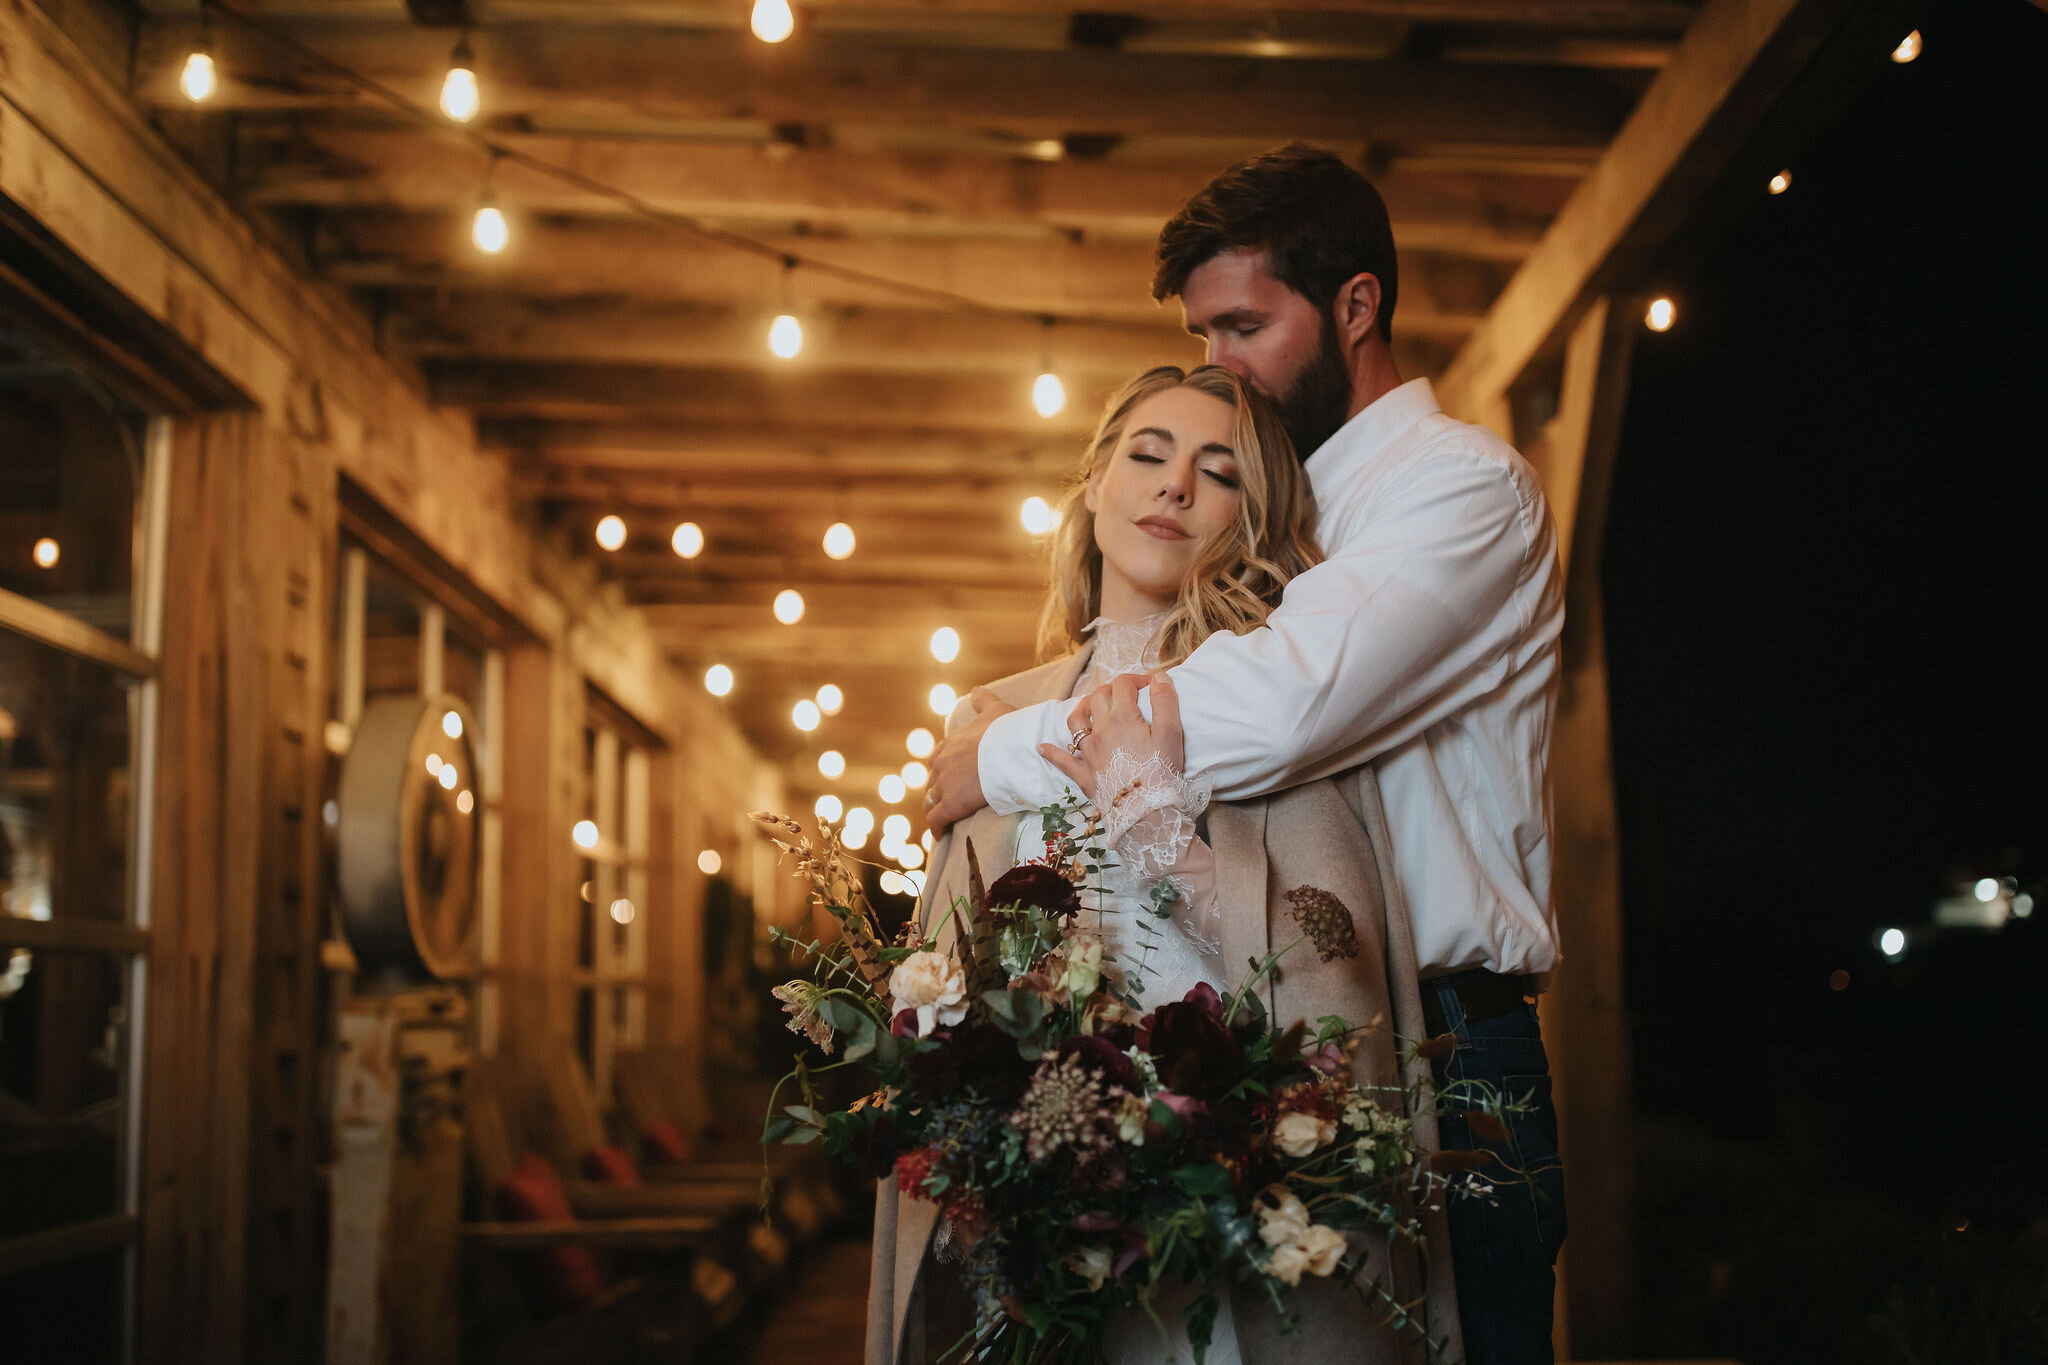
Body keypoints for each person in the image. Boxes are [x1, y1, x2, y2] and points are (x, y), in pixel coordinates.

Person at [924, 144, 1569, 1365]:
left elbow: (1270, 710)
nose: (1216, 366)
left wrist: (999, 750)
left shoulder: (1458, 487)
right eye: (1199, 333)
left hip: (1439, 1039)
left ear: (1354, 306)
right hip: (1268, 1043)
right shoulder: (1286, 528)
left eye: (1241, 326)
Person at [869, 364, 1461, 1365]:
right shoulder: (987, 722)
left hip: (1222, 1225)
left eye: (1216, 472)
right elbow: (941, 1000)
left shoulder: (1279, 715)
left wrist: (1159, 833)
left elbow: (1332, 994)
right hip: (1031, 1233)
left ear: (1248, 518)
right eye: (1146, 455)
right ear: (1093, 484)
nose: (1173, 485)